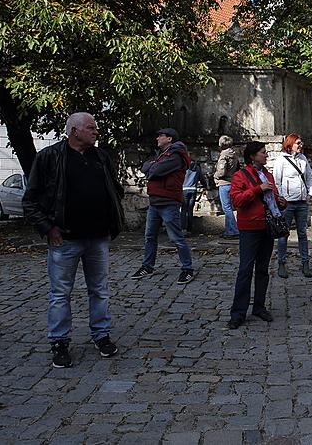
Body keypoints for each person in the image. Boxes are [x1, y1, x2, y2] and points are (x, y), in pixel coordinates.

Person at [23, 112, 125, 368]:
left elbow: (115, 188)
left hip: (98, 237)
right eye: (91, 128)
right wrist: (48, 228)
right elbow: (31, 199)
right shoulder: (50, 157)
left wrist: (112, 218)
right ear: (74, 131)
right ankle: (59, 342)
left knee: (99, 290)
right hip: (64, 239)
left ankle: (101, 335)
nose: (96, 131)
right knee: (60, 293)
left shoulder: (100, 157)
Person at [227, 141, 287, 329]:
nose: (266, 155)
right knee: (245, 269)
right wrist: (257, 189)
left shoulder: (267, 174)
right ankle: (238, 312)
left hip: (267, 227)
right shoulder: (240, 175)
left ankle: (259, 306)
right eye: (263, 153)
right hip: (250, 227)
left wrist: (280, 202)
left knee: (262, 269)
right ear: (252, 156)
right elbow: (237, 200)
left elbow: (272, 198)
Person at [131, 128, 195, 285]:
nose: (157, 138)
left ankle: (187, 269)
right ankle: (148, 266)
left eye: (161, 136)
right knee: (150, 237)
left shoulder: (176, 156)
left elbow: (155, 171)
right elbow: (145, 167)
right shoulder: (161, 155)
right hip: (155, 202)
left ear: (169, 139)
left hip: (169, 202)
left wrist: (153, 168)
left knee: (176, 238)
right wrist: (152, 167)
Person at [273, 133, 312, 278]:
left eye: (301, 142)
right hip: (288, 203)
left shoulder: (303, 159)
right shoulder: (281, 160)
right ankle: (281, 263)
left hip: (302, 202)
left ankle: (305, 262)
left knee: (302, 233)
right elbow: (276, 181)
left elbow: (309, 177)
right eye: (298, 142)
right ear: (290, 144)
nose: (301, 145)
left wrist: (310, 192)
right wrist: (280, 198)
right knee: (283, 234)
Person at [214, 135, 241, 239]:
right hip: (232, 182)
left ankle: (233, 230)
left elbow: (221, 172)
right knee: (230, 207)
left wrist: (215, 175)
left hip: (224, 183)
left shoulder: (223, 156)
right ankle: (228, 230)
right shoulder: (234, 155)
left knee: (227, 208)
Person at [181, 160, 208, 236]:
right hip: (193, 190)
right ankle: (190, 229)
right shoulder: (197, 168)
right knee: (190, 210)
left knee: (183, 210)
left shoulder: (184, 167)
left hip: (184, 190)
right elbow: (202, 179)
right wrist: (205, 186)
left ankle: (183, 229)